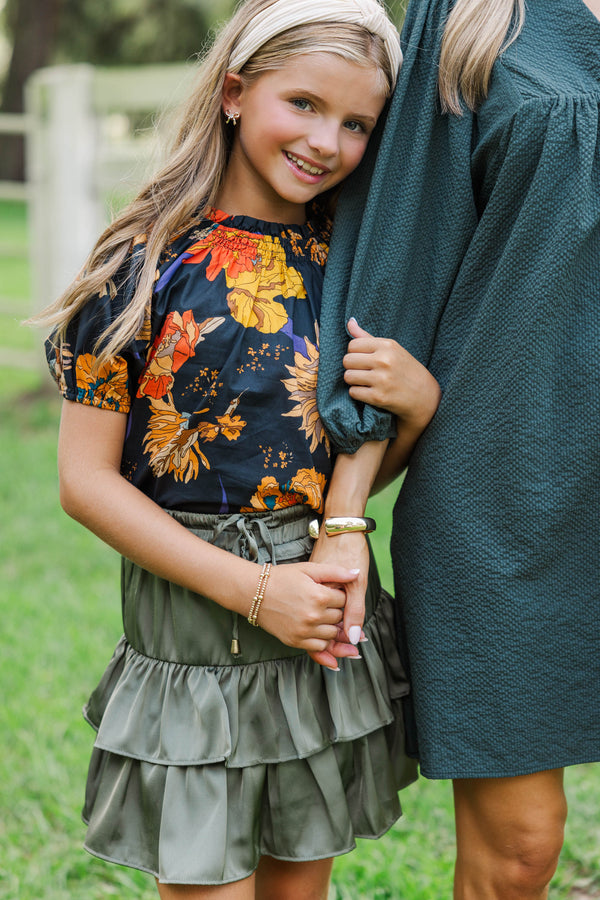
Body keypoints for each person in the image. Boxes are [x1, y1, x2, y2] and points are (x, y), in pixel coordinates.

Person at [36, 1, 444, 896]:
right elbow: (83, 483)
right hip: (197, 630)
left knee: (300, 884)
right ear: (232, 92)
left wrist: (414, 411)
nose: (325, 141)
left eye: (356, 124)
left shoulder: (349, 268)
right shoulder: (138, 268)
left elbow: (343, 453)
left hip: (316, 628)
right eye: (302, 103)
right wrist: (257, 591)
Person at [317, 0, 600, 898]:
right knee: (521, 848)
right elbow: (404, 254)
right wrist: (346, 510)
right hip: (518, 490)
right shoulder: (481, 19)